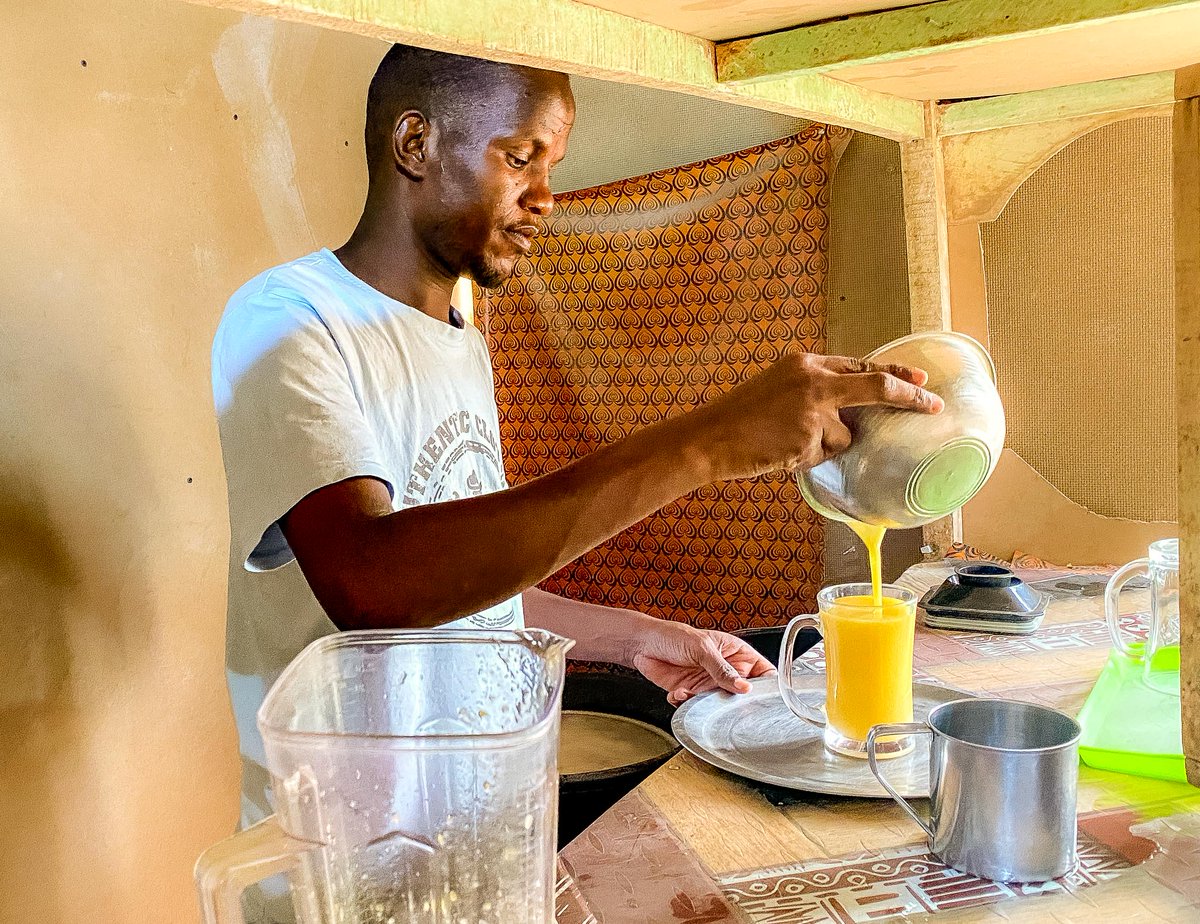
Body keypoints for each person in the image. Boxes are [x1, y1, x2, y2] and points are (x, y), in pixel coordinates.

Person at [212, 44, 943, 836]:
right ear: (414, 145)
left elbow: (465, 592)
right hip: (347, 856)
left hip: (472, 835)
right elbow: (376, 582)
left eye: (552, 166)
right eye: (519, 158)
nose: (546, 197)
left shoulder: (459, 343)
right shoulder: (289, 319)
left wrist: (635, 637)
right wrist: (708, 443)